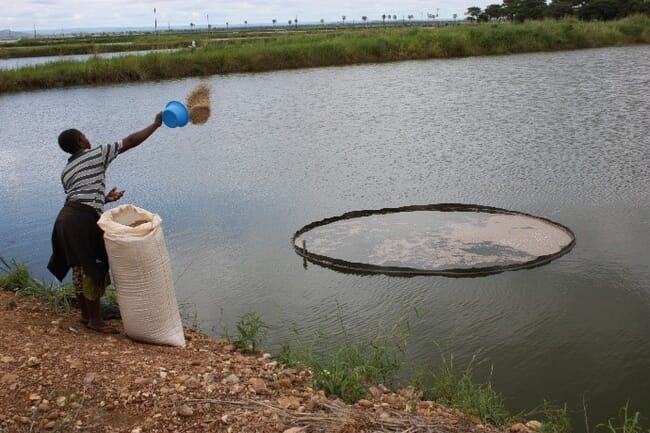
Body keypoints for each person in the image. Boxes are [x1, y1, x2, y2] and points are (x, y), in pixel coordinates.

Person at [47, 113, 163, 334]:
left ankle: (85, 315)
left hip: (65, 219)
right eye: (84, 135)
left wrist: (105, 199)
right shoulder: (96, 153)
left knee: (79, 267)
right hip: (80, 221)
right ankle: (95, 321)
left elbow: (79, 195)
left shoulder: (66, 171)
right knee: (93, 265)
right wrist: (155, 124)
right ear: (80, 140)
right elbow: (130, 141)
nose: (87, 138)